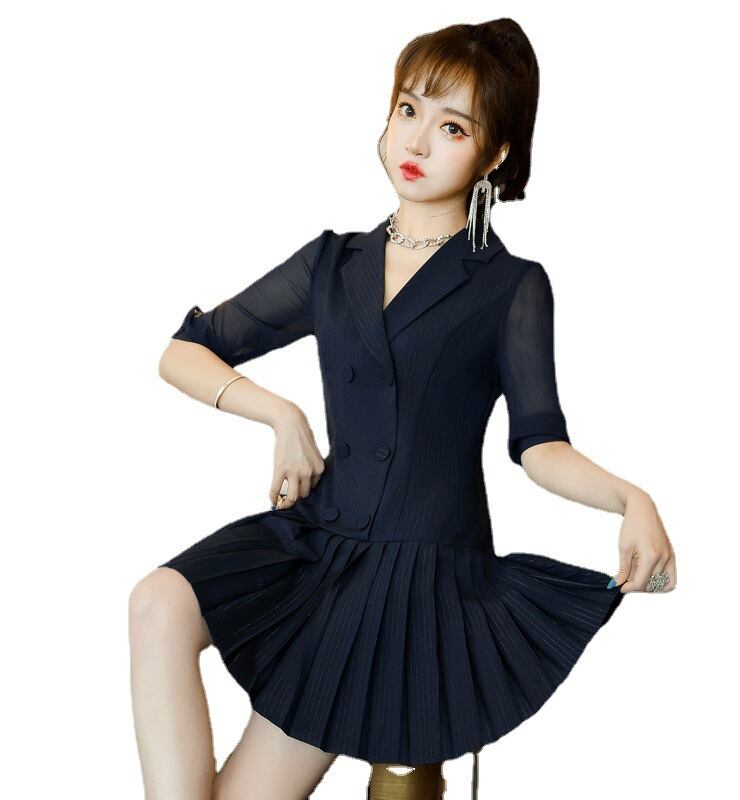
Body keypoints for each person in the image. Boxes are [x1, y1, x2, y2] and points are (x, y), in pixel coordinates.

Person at [129, 17, 677, 800]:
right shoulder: (332, 263)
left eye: (452, 126)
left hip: (413, 576)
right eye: (408, 109)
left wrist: (631, 498)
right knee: (157, 603)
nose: (416, 141)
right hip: (314, 547)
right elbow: (185, 351)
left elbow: (539, 445)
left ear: (494, 154)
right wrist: (282, 416)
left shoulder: (509, 286)